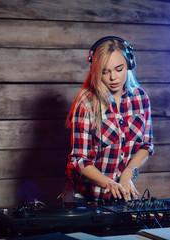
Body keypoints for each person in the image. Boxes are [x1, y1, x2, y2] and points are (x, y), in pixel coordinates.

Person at [59, 36, 154, 203]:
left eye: (119, 69)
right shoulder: (87, 104)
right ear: (96, 71)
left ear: (129, 65)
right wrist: (110, 183)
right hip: (85, 199)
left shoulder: (141, 98)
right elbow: (79, 160)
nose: (113, 77)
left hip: (121, 196)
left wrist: (127, 175)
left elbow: (146, 145)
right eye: (105, 71)